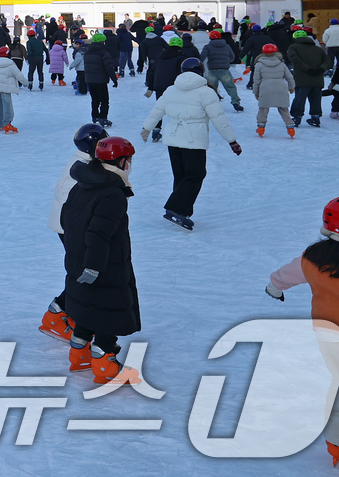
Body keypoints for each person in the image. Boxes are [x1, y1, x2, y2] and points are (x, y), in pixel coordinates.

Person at [264, 196, 339, 473]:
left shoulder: (314, 257)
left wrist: (275, 287)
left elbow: (283, 276)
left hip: (329, 336)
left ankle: (337, 443)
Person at [61, 136, 144, 386]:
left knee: (87, 308)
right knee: (108, 311)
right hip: (104, 264)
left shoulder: (85, 182)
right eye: (128, 160)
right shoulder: (111, 193)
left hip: (79, 258)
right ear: (120, 161)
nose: (130, 164)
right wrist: (94, 267)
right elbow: (98, 234)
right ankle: (106, 365)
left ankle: (79, 355)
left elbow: (67, 221)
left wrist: (80, 258)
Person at [140, 58, 242, 230]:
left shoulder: (171, 90)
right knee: (196, 174)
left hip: (173, 138)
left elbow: (156, 111)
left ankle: (183, 211)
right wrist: (232, 141)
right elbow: (219, 119)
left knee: (181, 176)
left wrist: (146, 128)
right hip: (193, 140)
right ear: (200, 71)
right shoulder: (206, 92)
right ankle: (176, 208)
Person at [38, 123, 108, 341]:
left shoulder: (85, 162)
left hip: (69, 225)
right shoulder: (85, 168)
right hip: (71, 227)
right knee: (85, 273)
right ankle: (56, 315)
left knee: (85, 272)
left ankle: (67, 313)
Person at [248, 44, 296, 139]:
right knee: (284, 109)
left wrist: (256, 92)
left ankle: (261, 128)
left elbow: (256, 80)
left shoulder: (259, 64)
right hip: (281, 87)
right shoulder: (281, 63)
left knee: (263, 109)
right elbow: (289, 77)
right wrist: (291, 87)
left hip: (266, 87)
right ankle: (291, 129)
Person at [287, 29, 332, 128]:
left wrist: (307, 69)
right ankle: (316, 118)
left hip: (302, 79)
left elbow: (295, 60)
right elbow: (328, 61)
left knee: (300, 98)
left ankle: (297, 117)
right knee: (316, 99)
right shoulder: (318, 49)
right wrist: (321, 69)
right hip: (317, 79)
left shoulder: (293, 47)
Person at [0, 46, 30, 132]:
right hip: (6, 89)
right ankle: (7, 123)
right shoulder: (11, 65)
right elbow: (19, 75)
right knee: (8, 107)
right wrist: (26, 83)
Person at [200, 29, 243, 112]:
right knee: (230, 87)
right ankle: (236, 102)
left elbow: (202, 57)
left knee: (212, 88)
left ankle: (211, 104)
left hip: (212, 70)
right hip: (224, 70)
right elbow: (232, 57)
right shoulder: (226, 46)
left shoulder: (207, 47)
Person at [84, 33, 118, 127]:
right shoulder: (104, 53)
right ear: (102, 42)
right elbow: (109, 67)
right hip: (101, 80)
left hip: (90, 79)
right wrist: (114, 79)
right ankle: (103, 118)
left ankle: (95, 116)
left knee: (95, 99)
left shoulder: (87, 52)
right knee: (104, 100)